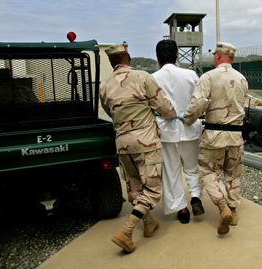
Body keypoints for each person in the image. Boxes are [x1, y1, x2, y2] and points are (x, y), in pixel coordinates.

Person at [100, 42, 177, 252]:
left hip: (122, 144)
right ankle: (126, 231)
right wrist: (170, 115)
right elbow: (165, 108)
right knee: (152, 190)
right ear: (129, 57)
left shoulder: (105, 85)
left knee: (135, 189)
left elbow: (110, 112)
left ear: (110, 61)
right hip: (145, 142)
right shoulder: (143, 77)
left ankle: (149, 223)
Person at [180, 42, 248, 234]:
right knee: (233, 173)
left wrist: (187, 119)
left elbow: (198, 104)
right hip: (236, 136)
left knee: (207, 170)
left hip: (214, 136)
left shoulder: (209, 77)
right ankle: (233, 211)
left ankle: (222, 205)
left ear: (218, 56)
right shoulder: (242, 79)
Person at [152, 39, 204, 224]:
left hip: (167, 131)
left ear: (157, 57)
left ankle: (182, 209)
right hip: (190, 127)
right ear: (176, 55)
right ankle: (196, 197)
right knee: (192, 167)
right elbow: (200, 100)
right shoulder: (191, 74)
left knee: (172, 171)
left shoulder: (153, 78)